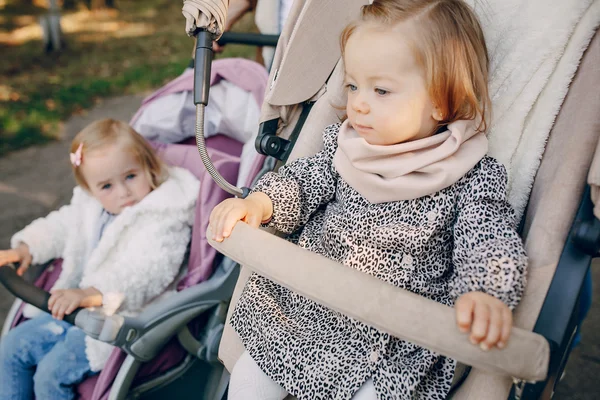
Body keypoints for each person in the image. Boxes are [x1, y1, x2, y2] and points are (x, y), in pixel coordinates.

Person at [210, 0, 529, 399]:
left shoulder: (470, 174)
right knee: (249, 378)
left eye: (380, 90)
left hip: (391, 339)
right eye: (353, 85)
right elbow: (302, 183)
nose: (358, 103)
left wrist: (485, 291)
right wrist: (259, 204)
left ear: (441, 99)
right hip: (305, 309)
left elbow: (488, 240)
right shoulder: (343, 146)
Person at [0, 119, 200, 400]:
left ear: (149, 167)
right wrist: (26, 248)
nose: (123, 192)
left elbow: (148, 271)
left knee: (50, 375)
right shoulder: (91, 205)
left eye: (131, 176)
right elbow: (62, 225)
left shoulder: (163, 216)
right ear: (90, 189)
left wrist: (92, 293)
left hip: (120, 322)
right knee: (11, 348)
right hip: (74, 308)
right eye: (106, 186)